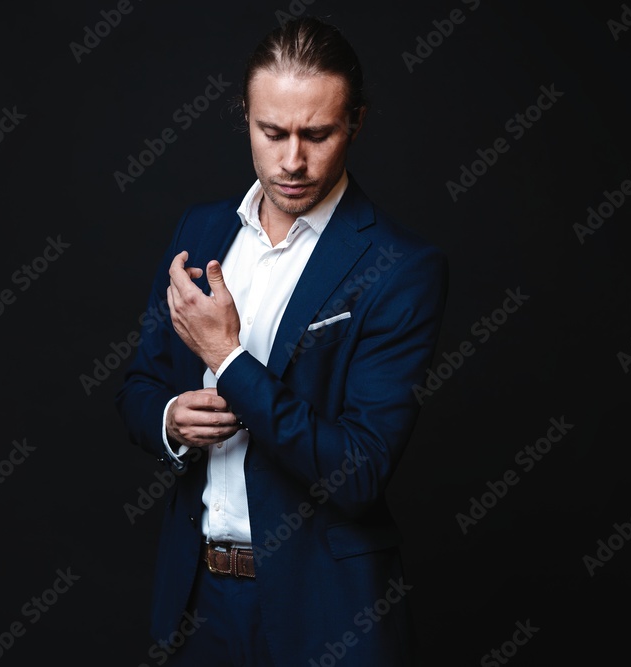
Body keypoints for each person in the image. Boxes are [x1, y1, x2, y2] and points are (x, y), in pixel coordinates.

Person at [115, 16, 447, 666]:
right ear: (245, 118)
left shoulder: (401, 267)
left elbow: (359, 470)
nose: (293, 161)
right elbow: (138, 385)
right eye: (272, 132)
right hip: (196, 603)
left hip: (326, 612)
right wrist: (170, 419)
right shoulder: (200, 230)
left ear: (355, 122)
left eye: (317, 134)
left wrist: (228, 358)